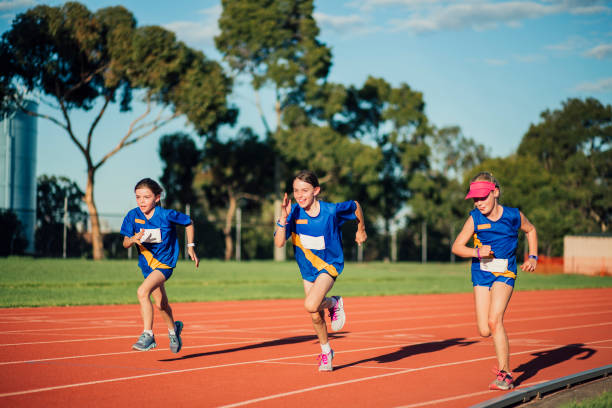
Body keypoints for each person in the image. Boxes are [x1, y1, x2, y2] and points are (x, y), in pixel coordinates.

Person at [451, 171, 538, 390]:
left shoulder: (513, 215)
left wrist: (533, 256)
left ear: (495, 192)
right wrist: (478, 252)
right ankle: (502, 356)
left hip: (504, 272)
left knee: (494, 320)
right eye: (475, 199)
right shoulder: (474, 218)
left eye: (483, 197)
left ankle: (506, 374)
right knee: (483, 329)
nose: (479, 203)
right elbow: (457, 247)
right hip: (481, 274)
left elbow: (531, 230)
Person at [274, 170, 367, 371]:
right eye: (296, 191)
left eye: (305, 190)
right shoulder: (293, 214)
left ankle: (334, 302)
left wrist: (361, 230)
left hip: (329, 265)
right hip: (307, 270)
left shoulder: (331, 211)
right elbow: (279, 243)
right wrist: (283, 217)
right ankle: (327, 352)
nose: (300, 195)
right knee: (315, 314)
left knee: (310, 304)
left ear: (316, 190)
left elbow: (356, 205)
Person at [121, 178, 199, 353]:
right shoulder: (132, 216)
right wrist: (133, 239)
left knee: (142, 291)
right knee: (161, 304)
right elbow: (125, 243)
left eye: (146, 197)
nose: (141, 201)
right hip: (147, 266)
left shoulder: (166, 215)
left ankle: (148, 335)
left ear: (157, 197)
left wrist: (190, 247)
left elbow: (188, 222)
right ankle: (174, 331)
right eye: (138, 197)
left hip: (165, 264)